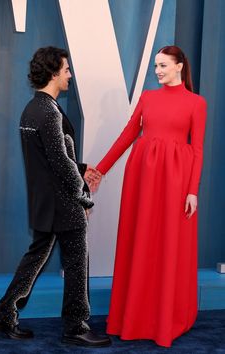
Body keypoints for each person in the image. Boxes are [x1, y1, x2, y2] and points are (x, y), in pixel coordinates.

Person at [0, 46, 111, 348]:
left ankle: (4, 316)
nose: (70, 75)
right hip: (62, 202)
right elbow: (60, 163)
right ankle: (75, 326)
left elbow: (51, 157)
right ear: (54, 73)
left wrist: (83, 168)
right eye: (67, 70)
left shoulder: (34, 108)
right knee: (75, 261)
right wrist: (84, 197)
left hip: (45, 200)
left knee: (36, 257)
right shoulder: (48, 112)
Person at [87, 45, 207, 347]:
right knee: (139, 241)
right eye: (156, 66)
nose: (158, 71)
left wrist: (193, 189)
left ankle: (167, 317)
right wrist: (100, 169)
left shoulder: (196, 103)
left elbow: (198, 148)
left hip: (177, 180)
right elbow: (129, 134)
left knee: (169, 244)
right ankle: (134, 315)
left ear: (180, 66)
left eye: (163, 65)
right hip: (142, 178)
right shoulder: (148, 98)